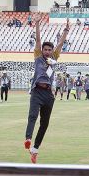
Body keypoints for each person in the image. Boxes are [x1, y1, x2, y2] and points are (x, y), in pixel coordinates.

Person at [24, 16, 70, 163]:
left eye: (50, 49)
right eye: (46, 49)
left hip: (49, 93)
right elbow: (38, 40)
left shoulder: (54, 57)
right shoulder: (38, 57)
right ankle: (28, 138)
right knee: (33, 116)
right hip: (37, 91)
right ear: (42, 50)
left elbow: (61, 43)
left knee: (45, 123)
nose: (48, 51)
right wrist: (37, 24)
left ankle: (35, 150)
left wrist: (66, 29)